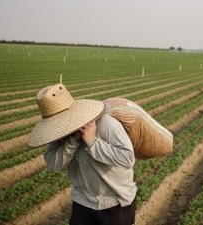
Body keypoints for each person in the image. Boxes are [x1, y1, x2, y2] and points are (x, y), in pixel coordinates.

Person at [27, 83, 137, 225]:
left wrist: (92, 142)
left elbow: (127, 158)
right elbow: (53, 164)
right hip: (83, 201)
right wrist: (72, 141)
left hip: (115, 203)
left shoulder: (106, 124)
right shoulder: (60, 134)